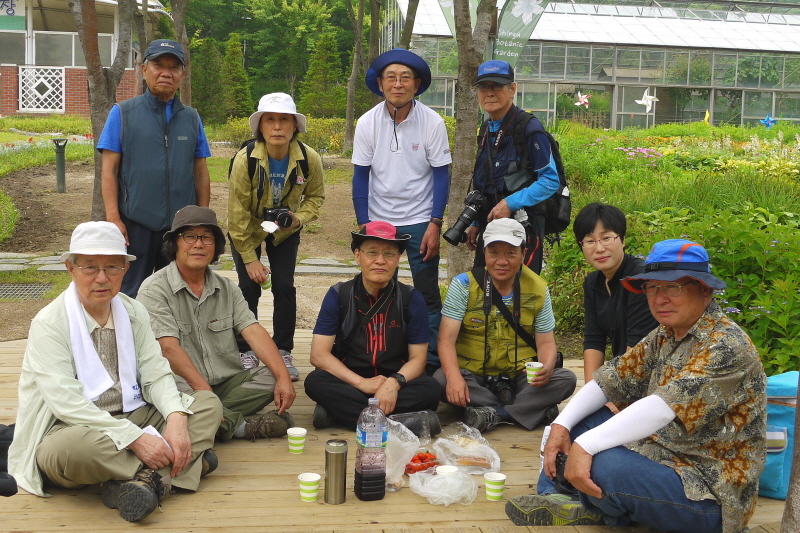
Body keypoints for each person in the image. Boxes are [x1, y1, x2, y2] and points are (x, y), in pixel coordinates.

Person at [506, 239, 767, 533]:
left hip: (707, 495)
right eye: (653, 288)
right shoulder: (666, 333)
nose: (660, 298)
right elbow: (612, 378)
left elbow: (661, 409)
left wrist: (585, 446)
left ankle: (594, 504)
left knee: (604, 462)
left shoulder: (726, 346)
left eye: (673, 287)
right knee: (578, 423)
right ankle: (562, 497)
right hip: (660, 454)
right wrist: (562, 425)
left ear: (705, 290)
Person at [8, 222, 222, 522]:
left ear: (125, 269)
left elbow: (156, 373)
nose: (101, 278)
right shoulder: (50, 323)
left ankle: (141, 481)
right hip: (76, 427)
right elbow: (66, 404)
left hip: (135, 411)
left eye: (112, 267)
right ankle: (182, 468)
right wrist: (135, 439)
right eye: (89, 267)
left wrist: (174, 418)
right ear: (71, 269)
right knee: (66, 453)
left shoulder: (134, 311)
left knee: (206, 404)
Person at [137, 206, 296, 441]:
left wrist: (283, 377)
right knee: (165, 393)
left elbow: (252, 330)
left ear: (216, 246)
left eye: (207, 237)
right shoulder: (154, 289)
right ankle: (238, 426)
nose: (199, 244)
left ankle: (205, 418)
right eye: (189, 236)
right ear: (175, 244)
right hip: (182, 386)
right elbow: (168, 347)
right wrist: (204, 392)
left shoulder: (227, 288)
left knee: (274, 375)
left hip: (225, 383)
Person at [352, 48, 452, 371]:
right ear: (380, 84)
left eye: (405, 78)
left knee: (427, 291)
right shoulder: (367, 123)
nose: (398, 84)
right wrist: (364, 224)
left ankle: (432, 364)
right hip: (380, 220)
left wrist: (436, 223)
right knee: (376, 286)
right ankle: (375, 355)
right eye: (391, 78)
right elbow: (360, 176)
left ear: (416, 84)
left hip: (422, 218)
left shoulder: (432, 123)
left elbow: (441, 174)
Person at [434, 218, 576, 433]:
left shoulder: (538, 288)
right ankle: (529, 409)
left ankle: (494, 414)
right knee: (441, 379)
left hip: (520, 376)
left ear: (523, 254)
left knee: (565, 379)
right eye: (494, 253)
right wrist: (454, 379)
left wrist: (546, 367)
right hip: (474, 375)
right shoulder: (463, 285)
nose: (502, 261)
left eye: (511, 253)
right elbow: (445, 339)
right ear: (484, 254)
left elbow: (546, 341)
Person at [98, 39, 212, 298]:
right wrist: (114, 218)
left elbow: (201, 173)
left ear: (182, 74)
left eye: (174, 67)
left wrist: (202, 219)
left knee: (177, 293)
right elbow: (109, 171)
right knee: (128, 293)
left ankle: (171, 340)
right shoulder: (123, 113)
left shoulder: (191, 118)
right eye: (158, 65)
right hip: (135, 221)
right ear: (144, 69)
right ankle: (127, 339)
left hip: (179, 227)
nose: (166, 73)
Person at [305, 221, 442, 431]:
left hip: (395, 385)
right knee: (315, 381)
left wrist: (394, 383)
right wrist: (362, 383)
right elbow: (319, 355)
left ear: (398, 259)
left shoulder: (410, 298)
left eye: (389, 253)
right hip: (351, 383)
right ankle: (405, 422)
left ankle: (344, 415)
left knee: (432, 388)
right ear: (358, 256)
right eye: (372, 252)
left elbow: (418, 359)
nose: (380, 261)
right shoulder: (339, 295)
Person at [228, 93, 325, 381]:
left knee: (283, 287)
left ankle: (283, 350)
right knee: (248, 287)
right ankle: (245, 350)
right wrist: (249, 259)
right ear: (260, 127)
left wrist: (298, 218)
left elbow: (316, 197)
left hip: (284, 230)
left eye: (285, 119)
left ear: (295, 126)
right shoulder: (245, 161)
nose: (278, 126)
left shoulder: (310, 159)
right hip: (249, 228)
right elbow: (237, 214)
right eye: (270, 120)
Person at [465, 60, 560, 275]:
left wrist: (510, 202)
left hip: (524, 225)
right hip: (493, 225)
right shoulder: (487, 127)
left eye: (497, 86)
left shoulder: (530, 128)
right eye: (483, 87)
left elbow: (550, 181)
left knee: (521, 294)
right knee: (484, 288)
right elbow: (488, 180)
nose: (489, 93)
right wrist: (478, 221)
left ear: (512, 89)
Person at [573, 203, 658, 383]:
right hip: (623, 373)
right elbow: (594, 341)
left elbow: (636, 349)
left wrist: (614, 399)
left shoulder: (639, 279)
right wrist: (589, 393)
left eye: (606, 238)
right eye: (589, 241)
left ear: (623, 239)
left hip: (651, 376)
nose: (599, 248)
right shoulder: (592, 283)